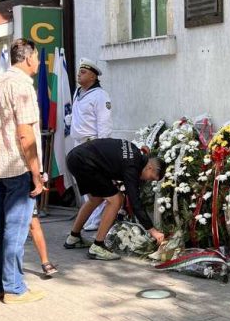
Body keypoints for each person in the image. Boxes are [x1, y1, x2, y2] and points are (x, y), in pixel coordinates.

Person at [0, 38, 45, 304]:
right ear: (29, 58)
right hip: (17, 167)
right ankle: (14, 288)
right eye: (37, 58)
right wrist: (36, 173)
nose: (39, 63)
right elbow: (25, 134)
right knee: (16, 230)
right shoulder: (22, 86)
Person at [64, 138, 166, 260]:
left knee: (96, 199)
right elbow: (135, 202)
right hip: (84, 162)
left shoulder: (136, 153)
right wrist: (152, 231)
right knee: (116, 199)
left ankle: (73, 238)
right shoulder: (132, 166)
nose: (148, 180)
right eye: (152, 178)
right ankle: (98, 247)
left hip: (75, 157)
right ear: (149, 167)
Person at [68, 58, 113, 230]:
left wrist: (102, 147)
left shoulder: (100, 96)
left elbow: (104, 123)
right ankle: (92, 216)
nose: (79, 74)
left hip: (91, 144)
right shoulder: (78, 92)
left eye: (83, 72)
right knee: (84, 183)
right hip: (78, 143)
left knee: (95, 182)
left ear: (93, 76)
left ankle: (98, 219)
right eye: (79, 71)